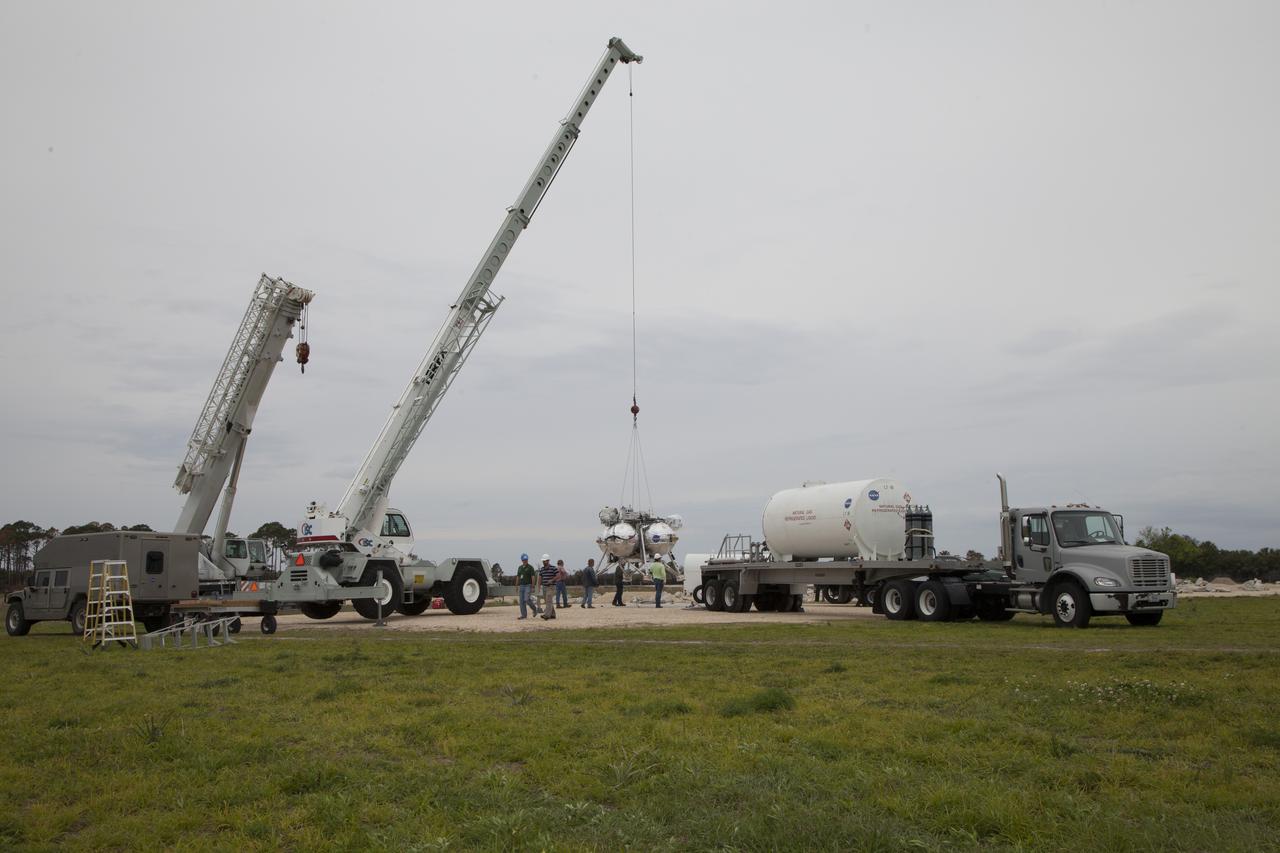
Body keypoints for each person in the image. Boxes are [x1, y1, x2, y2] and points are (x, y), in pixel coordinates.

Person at [538, 554, 558, 620]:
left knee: (549, 599)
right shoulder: (542, 569)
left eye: (544, 561)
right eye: (543, 561)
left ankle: (546, 615)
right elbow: (540, 578)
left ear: (548, 560)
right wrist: (538, 586)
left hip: (551, 587)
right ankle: (553, 614)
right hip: (544, 587)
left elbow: (558, 576)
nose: (543, 562)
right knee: (547, 601)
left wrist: (552, 580)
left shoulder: (553, 568)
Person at [515, 554, 535, 620]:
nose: (525, 561)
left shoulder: (530, 567)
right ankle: (523, 615)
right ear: (522, 560)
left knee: (526, 599)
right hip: (521, 586)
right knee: (521, 601)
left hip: (528, 585)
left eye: (526, 559)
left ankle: (534, 609)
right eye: (524, 560)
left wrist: (533, 586)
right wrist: (516, 585)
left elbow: (533, 577)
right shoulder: (520, 568)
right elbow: (518, 577)